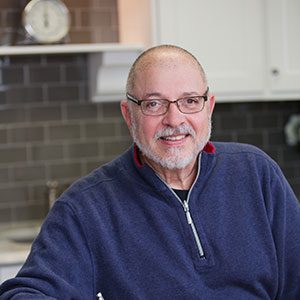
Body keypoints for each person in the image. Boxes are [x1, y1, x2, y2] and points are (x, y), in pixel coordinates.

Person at [1, 44, 300, 300]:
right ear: (128, 113)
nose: (174, 119)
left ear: (208, 107)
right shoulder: (85, 208)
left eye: (190, 101)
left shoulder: (256, 174)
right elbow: (30, 292)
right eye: (154, 104)